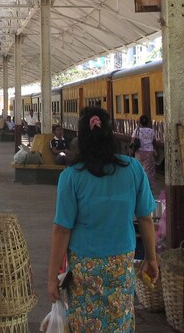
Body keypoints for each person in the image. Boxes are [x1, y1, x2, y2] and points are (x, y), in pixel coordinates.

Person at [47, 107, 158, 332]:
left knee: (85, 321)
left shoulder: (70, 177)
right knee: (119, 317)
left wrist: (52, 277)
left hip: (84, 264)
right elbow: (146, 218)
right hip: (121, 262)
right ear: (111, 135)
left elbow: (62, 230)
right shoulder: (134, 169)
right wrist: (151, 258)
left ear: (81, 139)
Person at [130, 115, 159, 196]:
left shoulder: (137, 130)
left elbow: (132, 141)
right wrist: (155, 150)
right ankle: (148, 190)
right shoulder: (151, 131)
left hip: (139, 153)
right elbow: (154, 142)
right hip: (149, 153)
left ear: (140, 122)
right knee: (149, 172)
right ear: (148, 122)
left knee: (138, 170)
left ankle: (139, 188)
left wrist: (131, 151)